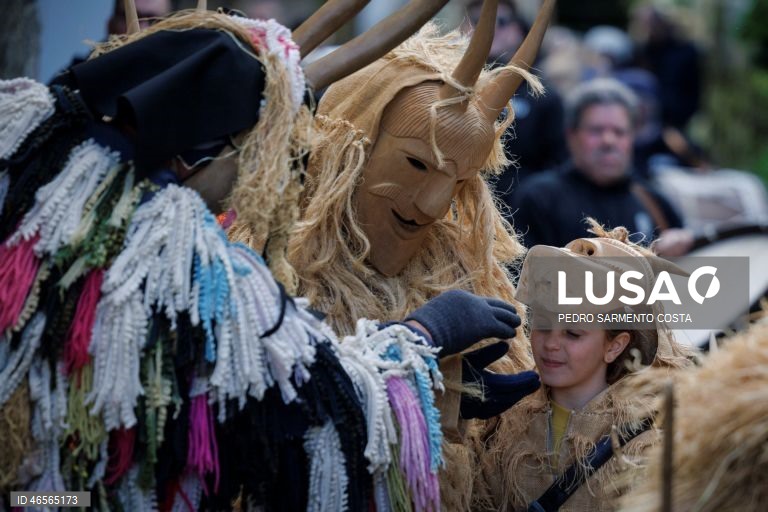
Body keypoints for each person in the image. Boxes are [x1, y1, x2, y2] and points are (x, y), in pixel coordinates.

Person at [0, 2, 509, 511]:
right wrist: (421, 339)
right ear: (205, 150)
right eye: (257, 155)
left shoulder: (32, 170)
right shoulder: (192, 266)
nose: (248, 187)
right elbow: (315, 410)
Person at [279, 0, 556, 508]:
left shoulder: (461, 270)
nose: (433, 205)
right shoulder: (272, 267)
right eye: (415, 163)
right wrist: (424, 350)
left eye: (457, 182)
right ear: (352, 139)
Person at [473, 222, 695, 511]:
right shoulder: (500, 423)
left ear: (614, 346)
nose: (551, 344)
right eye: (543, 325)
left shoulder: (648, 444)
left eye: (573, 333)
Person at [509, 77, 693, 255]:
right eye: (596, 131)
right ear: (571, 135)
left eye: (619, 131)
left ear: (632, 137)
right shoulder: (539, 200)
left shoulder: (652, 201)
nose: (608, 141)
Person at [464, 0, 567, 197]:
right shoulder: (449, 88)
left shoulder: (543, 96)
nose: (489, 28)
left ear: (520, 31)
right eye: (478, 21)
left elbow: (557, 163)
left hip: (520, 209)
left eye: (501, 21)